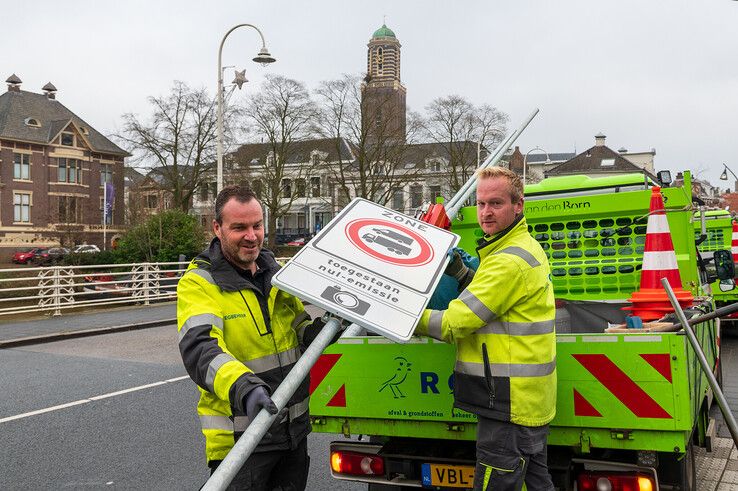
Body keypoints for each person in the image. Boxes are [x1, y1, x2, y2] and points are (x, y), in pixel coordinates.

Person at [414, 167, 557, 490]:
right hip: (527, 403)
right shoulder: (518, 248)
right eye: (480, 204)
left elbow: (455, 323)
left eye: (496, 203)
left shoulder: (507, 261)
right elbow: (492, 303)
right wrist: (462, 271)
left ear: (518, 205)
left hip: (508, 406)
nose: (486, 213)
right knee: (537, 484)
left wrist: (406, 318)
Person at [177, 185, 323, 490]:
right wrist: (244, 388)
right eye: (239, 227)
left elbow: (294, 322)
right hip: (241, 439)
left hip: (291, 433)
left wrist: (312, 332)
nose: (252, 235)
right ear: (217, 228)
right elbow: (201, 349)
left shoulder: (273, 270)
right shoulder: (200, 283)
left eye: (257, 225)